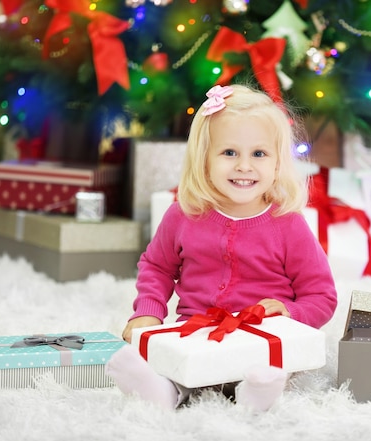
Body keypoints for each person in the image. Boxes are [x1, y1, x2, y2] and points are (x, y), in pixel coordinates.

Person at [106, 84, 338, 412]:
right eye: (229, 153)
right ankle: (163, 392)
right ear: (205, 159)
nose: (244, 166)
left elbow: (322, 296)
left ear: (277, 163)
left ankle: (254, 396)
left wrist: (289, 313)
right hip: (196, 335)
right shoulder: (183, 215)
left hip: (261, 338)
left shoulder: (289, 225)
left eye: (259, 154)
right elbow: (157, 266)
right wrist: (147, 311)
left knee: (267, 372)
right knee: (179, 370)